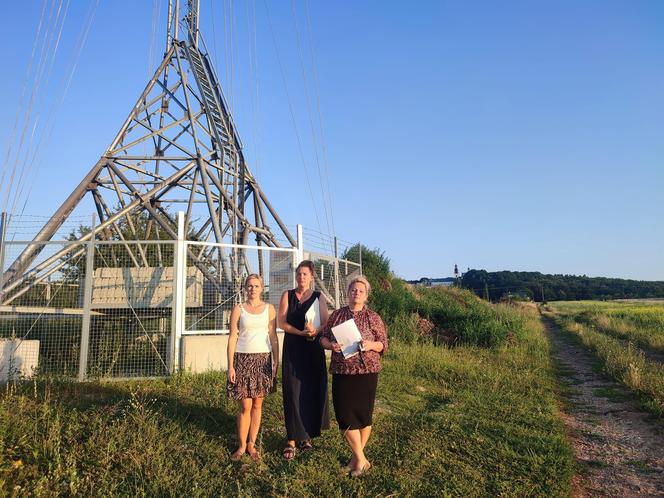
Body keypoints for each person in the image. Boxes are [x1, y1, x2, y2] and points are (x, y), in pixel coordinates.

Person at [320, 276, 388, 477]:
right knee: (344, 417)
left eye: (360, 291)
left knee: (363, 417)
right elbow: (322, 337)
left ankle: (356, 460)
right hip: (342, 371)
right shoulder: (337, 316)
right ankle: (362, 459)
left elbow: (383, 344)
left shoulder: (373, 317)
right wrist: (330, 345)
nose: (356, 293)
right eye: (353, 290)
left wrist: (371, 345)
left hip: (367, 372)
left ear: (366, 295)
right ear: (347, 292)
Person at [278, 260, 330, 460]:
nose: (301, 277)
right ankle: (291, 439)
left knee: (308, 390)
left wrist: (316, 331)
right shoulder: (287, 295)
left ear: (312, 277)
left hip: (312, 348)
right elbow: (282, 321)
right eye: (299, 274)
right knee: (292, 391)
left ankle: (306, 437)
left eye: (305, 274)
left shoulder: (319, 297)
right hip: (293, 347)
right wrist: (300, 332)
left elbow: (325, 322)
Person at [227, 274, 279, 462]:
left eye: (256, 286)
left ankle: (252, 444)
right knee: (245, 405)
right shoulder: (238, 309)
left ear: (262, 287)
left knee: (257, 403)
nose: (253, 289)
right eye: (249, 286)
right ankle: (241, 446)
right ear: (245, 288)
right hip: (242, 359)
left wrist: (276, 359)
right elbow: (233, 336)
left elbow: (273, 336)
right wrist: (230, 365)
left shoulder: (269, 309)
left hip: (263, 360)